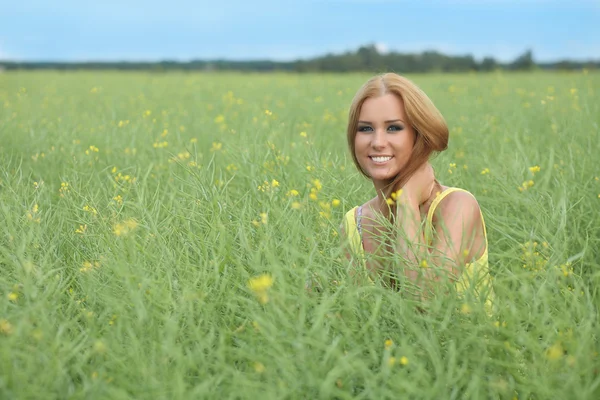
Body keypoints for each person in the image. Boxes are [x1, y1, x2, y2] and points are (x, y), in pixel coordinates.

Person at [340, 73, 494, 311]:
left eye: (393, 128)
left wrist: (407, 200)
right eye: (365, 128)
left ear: (419, 136)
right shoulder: (355, 224)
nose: (378, 142)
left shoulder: (457, 206)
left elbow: (425, 298)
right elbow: (358, 322)